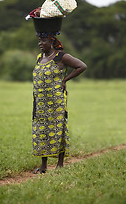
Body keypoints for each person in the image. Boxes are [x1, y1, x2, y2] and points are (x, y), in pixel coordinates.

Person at [32, 32, 87, 174]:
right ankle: (43, 165)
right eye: (39, 40)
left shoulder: (61, 57)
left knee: (58, 129)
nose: (40, 43)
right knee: (41, 131)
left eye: (43, 40)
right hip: (40, 103)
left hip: (56, 102)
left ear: (51, 41)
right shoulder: (40, 58)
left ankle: (60, 164)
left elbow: (81, 66)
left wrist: (64, 80)